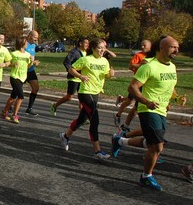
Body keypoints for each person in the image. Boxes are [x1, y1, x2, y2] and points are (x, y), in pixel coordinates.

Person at [110, 36, 182, 190]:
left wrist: (176, 99)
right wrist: (146, 101)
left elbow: (170, 88)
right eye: (173, 47)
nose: (177, 50)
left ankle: (119, 141)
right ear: (162, 48)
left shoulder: (172, 67)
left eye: (177, 47)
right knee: (157, 146)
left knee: (151, 143)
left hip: (162, 109)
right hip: (148, 109)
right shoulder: (149, 66)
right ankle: (146, 176)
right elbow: (133, 87)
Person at [59, 38, 114, 160]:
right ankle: (97, 151)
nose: (102, 50)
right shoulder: (85, 59)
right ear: (93, 48)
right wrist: (80, 76)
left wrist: (111, 74)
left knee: (82, 119)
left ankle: (65, 136)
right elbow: (71, 68)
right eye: (99, 48)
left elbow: (106, 75)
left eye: (104, 47)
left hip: (95, 93)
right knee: (95, 120)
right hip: (85, 92)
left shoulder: (105, 61)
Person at [113, 40, 152, 130]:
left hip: (147, 84)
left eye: (144, 45)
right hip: (138, 82)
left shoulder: (152, 56)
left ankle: (121, 100)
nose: (142, 47)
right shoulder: (139, 55)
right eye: (141, 45)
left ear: (150, 47)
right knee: (131, 102)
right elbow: (131, 66)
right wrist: (141, 65)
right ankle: (118, 115)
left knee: (135, 104)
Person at [50, 37, 89, 116]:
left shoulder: (87, 53)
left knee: (82, 97)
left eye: (88, 43)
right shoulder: (74, 52)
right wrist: (72, 72)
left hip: (83, 78)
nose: (87, 45)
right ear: (80, 43)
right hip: (74, 78)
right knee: (69, 97)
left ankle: (82, 117)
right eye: (86, 43)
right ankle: (54, 105)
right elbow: (66, 62)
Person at [1, 37, 32, 124]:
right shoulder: (14, 54)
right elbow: (8, 63)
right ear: (22, 43)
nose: (27, 44)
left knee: (13, 96)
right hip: (14, 77)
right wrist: (13, 64)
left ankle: (4, 111)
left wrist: (32, 62)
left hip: (22, 77)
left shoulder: (27, 54)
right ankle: (15, 115)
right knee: (21, 96)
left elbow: (28, 67)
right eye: (26, 42)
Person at [24, 30, 41, 116]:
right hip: (23, 70)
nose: (36, 39)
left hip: (30, 70)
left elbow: (32, 57)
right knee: (16, 91)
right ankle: (9, 107)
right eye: (35, 37)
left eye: (37, 37)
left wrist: (34, 63)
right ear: (30, 36)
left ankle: (29, 108)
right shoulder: (24, 44)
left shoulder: (34, 45)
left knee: (36, 88)